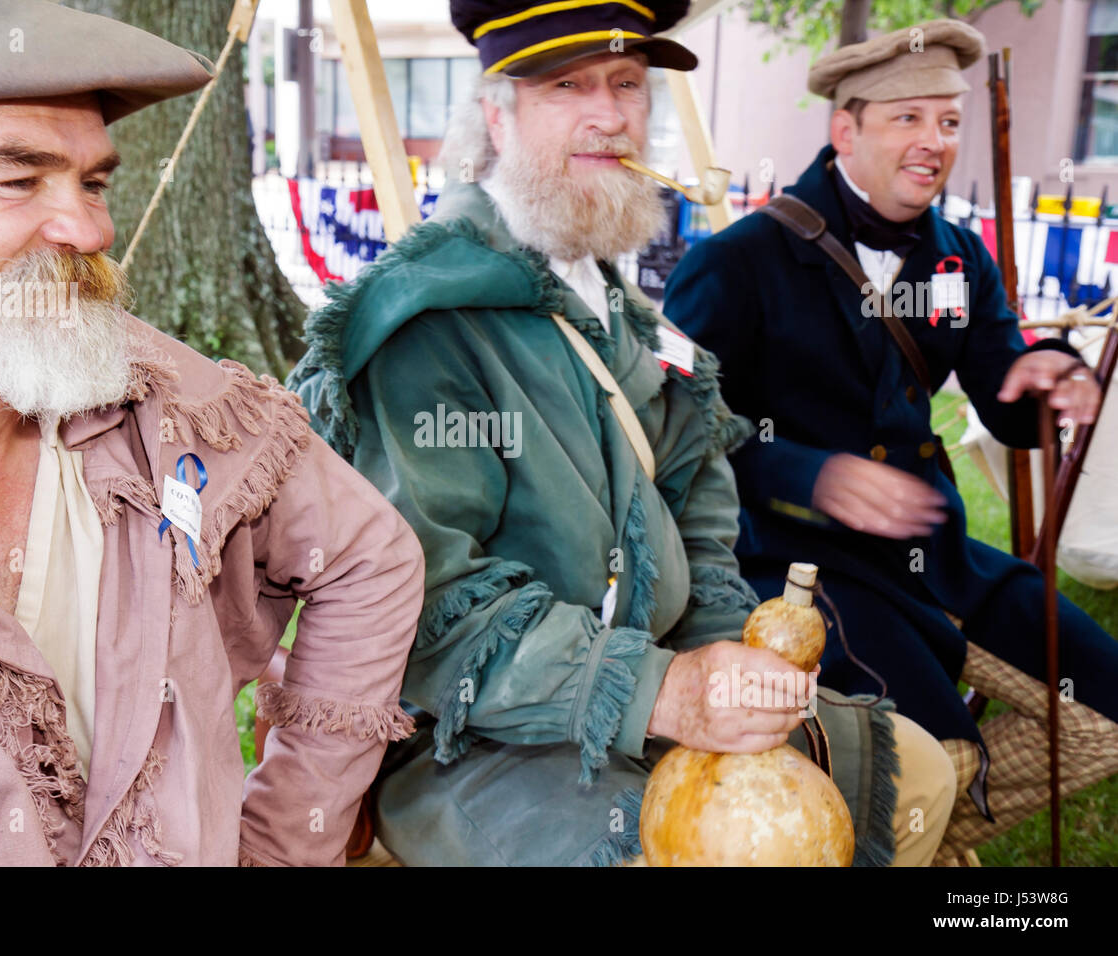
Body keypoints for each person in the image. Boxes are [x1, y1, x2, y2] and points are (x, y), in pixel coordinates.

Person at [289, 0, 956, 866]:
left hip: (663, 683)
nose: (609, 115)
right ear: (496, 114)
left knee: (923, 773)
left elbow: (707, 533)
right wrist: (667, 691)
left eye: (628, 85)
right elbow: (436, 611)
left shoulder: (636, 321)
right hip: (484, 740)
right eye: (567, 86)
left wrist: (725, 662)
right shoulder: (428, 320)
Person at [0, 0, 424, 866]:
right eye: (17, 179)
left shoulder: (147, 386)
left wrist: (286, 844)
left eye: (93, 182)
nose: (91, 230)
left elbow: (370, 560)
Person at [663, 18, 1118, 863]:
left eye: (949, 122)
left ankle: (918, 841)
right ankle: (912, 829)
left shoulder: (959, 259)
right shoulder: (738, 259)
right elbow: (676, 430)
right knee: (931, 758)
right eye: (908, 118)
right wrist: (808, 473)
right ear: (847, 129)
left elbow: (1004, 389)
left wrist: (1046, 379)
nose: (935, 142)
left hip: (940, 557)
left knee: (1103, 720)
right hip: (804, 568)